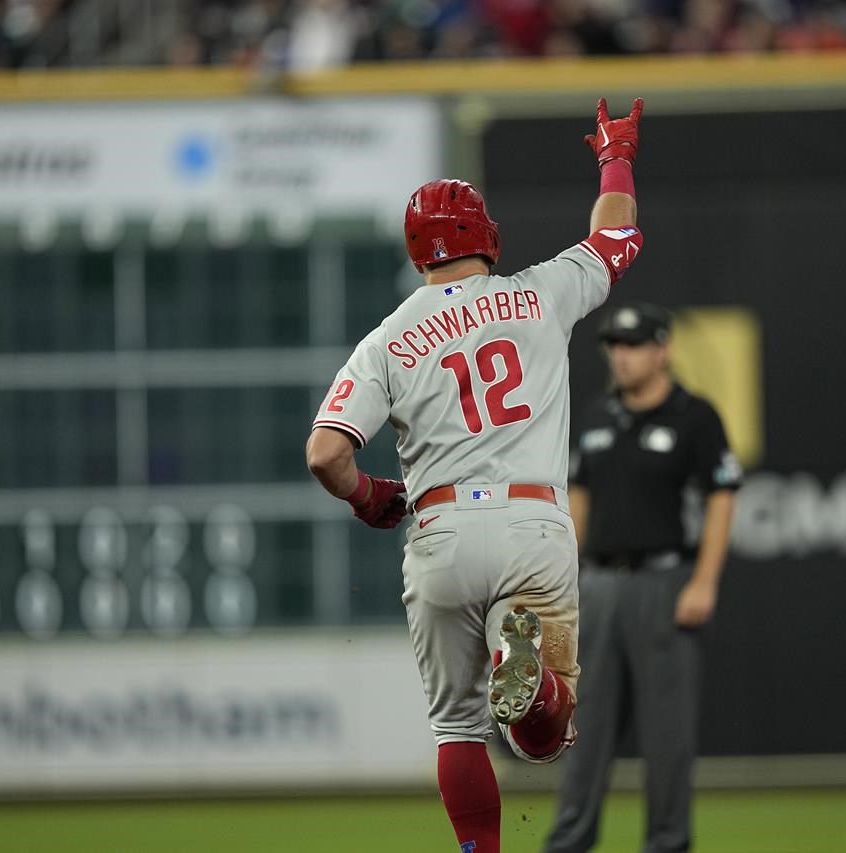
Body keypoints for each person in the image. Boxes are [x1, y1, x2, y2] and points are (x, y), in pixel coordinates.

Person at [305, 98, 645, 853]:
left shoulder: (387, 340)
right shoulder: (540, 291)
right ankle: (530, 681)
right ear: (485, 235)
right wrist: (615, 158)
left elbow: (325, 453)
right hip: (532, 523)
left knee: (457, 728)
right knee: (543, 737)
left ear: (417, 254)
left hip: (441, 531)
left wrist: (370, 497)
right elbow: (617, 236)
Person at [543, 302, 741, 853]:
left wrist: (705, 581)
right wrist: (562, 582)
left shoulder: (694, 416)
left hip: (664, 582)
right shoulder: (597, 414)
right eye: (614, 345)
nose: (621, 356)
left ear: (663, 350)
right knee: (582, 731)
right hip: (599, 585)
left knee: (667, 736)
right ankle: (568, 844)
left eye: (633, 344)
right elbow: (579, 500)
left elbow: (722, 497)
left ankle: (667, 844)